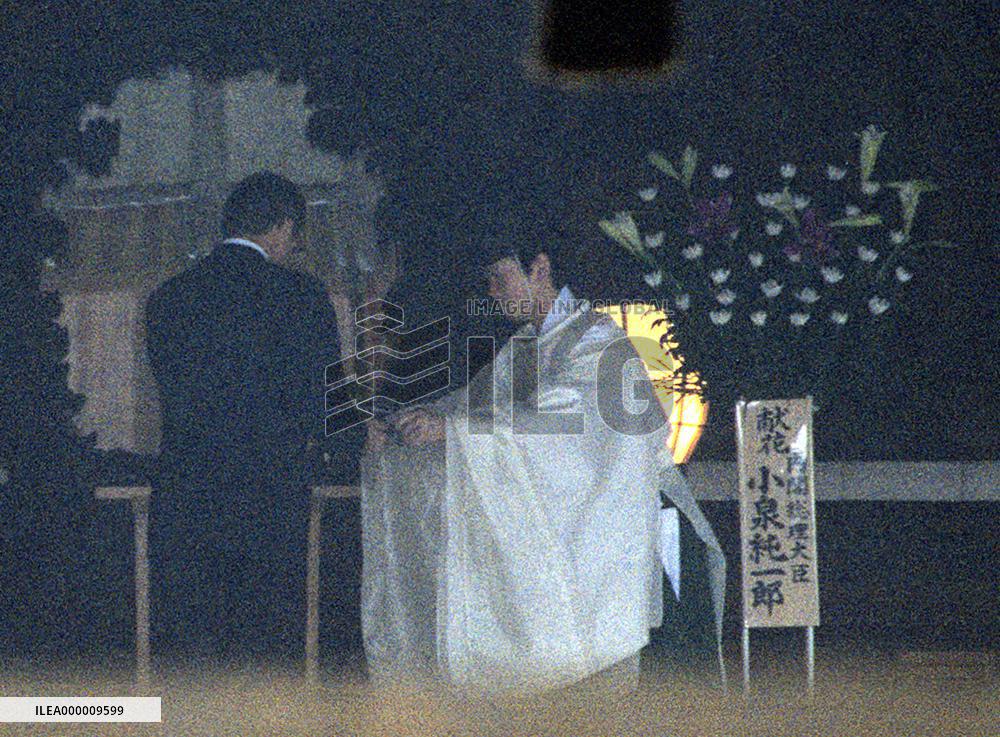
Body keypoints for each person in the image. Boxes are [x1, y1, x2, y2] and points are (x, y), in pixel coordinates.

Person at [360, 220, 724, 694]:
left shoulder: (597, 341)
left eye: (500, 276)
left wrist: (451, 431)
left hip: (627, 547)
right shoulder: (531, 345)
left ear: (541, 268)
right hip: (584, 542)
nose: (492, 291)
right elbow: (480, 406)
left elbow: (559, 425)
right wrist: (413, 420)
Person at [144, 171, 363, 660]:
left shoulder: (167, 299)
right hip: (270, 497)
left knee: (196, 649)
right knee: (267, 653)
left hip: (187, 495)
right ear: (285, 228)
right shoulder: (301, 298)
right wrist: (352, 450)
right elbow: (326, 404)